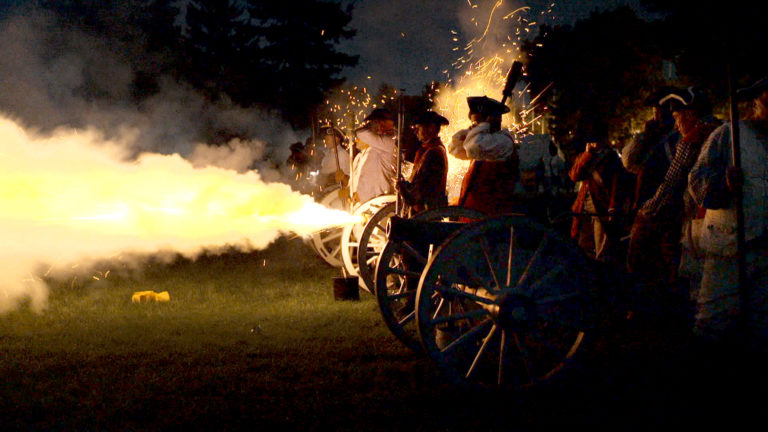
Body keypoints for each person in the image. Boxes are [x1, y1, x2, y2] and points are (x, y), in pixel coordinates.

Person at [688, 77, 768, 349]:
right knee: (713, 323)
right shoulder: (728, 135)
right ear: (758, 101)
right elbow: (697, 181)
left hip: (765, 251)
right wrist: (724, 182)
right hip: (731, 248)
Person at [628, 87, 720, 305]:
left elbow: (671, 183)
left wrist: (645, 212)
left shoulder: (691, 140)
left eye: (678, 117)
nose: (676, 124)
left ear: (690, 115)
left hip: (698, 221)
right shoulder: (722, 130)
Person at [568, 125, 632, 263]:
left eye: (595, 141)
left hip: (601, 212)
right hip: (583, 211)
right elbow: (574, 175)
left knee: (602, 253)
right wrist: (587, 155)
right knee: (583, 251)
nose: (592, 144)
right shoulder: (586, 157)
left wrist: (613, 208)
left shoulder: (611, 159)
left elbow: (617, 185)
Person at [448, 96, 519, 215]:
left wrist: (483, 126)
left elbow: (473, 145)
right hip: (473, 217)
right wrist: (473, 129)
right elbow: (454, 148)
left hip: (492, 218)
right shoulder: (484, 142)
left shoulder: (502, 142)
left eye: (477, 123)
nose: (474, 127)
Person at [396, 111, 450, 216]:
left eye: (419, 128)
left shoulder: (434, 152)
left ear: (431, 128)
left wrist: (403, 188)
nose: (415, 132)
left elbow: (423, 190)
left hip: (426, 212)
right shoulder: (428, 150)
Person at [349, 108, 398, 205]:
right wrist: (359, 192)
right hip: (370, 200)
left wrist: (372, 125)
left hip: (381, 200)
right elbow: (369, 176)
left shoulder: (389, 141)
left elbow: (361, 133)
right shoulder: (378, 144)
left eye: (375, 122)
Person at [317, 125, 350, 190]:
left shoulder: (341, 154)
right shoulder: (328, 154)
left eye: (328, 139)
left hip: (337, 190)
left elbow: (344, 178)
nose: (326, 141)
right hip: (327, 189)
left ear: (337, 139)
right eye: (325, 139)